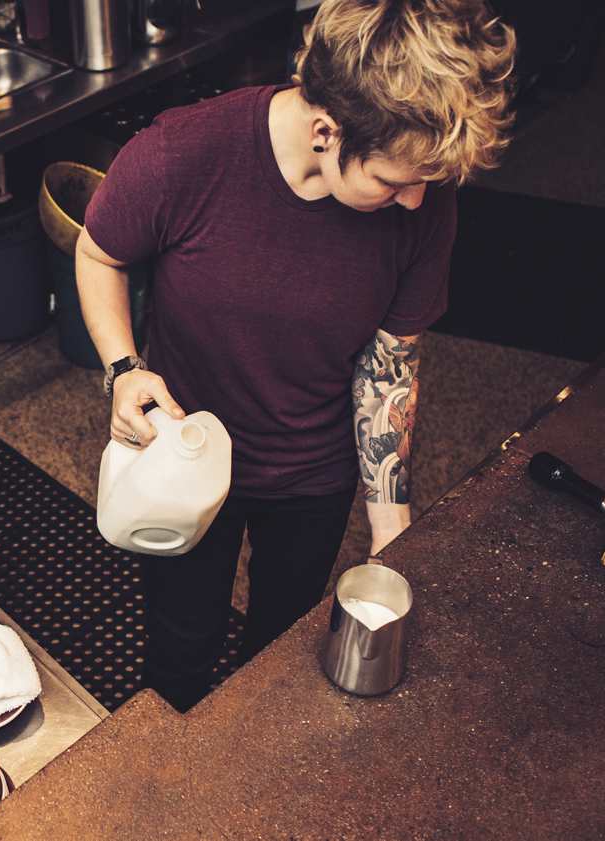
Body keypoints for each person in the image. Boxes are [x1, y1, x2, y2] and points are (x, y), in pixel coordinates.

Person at [76, 0, 516, 711]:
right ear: (326, 130)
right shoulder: (183, 152)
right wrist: (124, 370)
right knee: (180, 649)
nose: (413, 203)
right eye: (394, 181)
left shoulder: (423, 203)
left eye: (424, 183)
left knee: (281, 647)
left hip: (314, 475)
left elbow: (388, 364)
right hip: (185, 456)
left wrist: (389, 524)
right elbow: (98, 252)